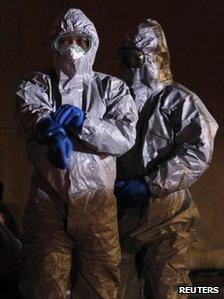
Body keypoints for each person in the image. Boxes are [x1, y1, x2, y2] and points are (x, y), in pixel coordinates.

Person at [15, 8, 138, 299]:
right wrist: (50, 130)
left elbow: (124, 138)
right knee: (44, 285)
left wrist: (85, 123)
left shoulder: (112, 88)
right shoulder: (37, 84)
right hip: (48, 206)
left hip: (97, 206)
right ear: (53, 44)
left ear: (92, 43)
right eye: (64, 41)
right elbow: (30, 111)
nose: (72, 49)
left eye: (81, 41)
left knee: (101, 285)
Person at [115, 19, 218, 299]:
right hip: (121, 213)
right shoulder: (116, 97)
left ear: (154, 59)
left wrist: (150, 184)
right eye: (124, 59)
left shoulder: (180, 101)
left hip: (168, 214)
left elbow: (198, 151)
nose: (129, 67)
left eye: (136, 59)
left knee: (168, 288)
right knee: (119, 289)